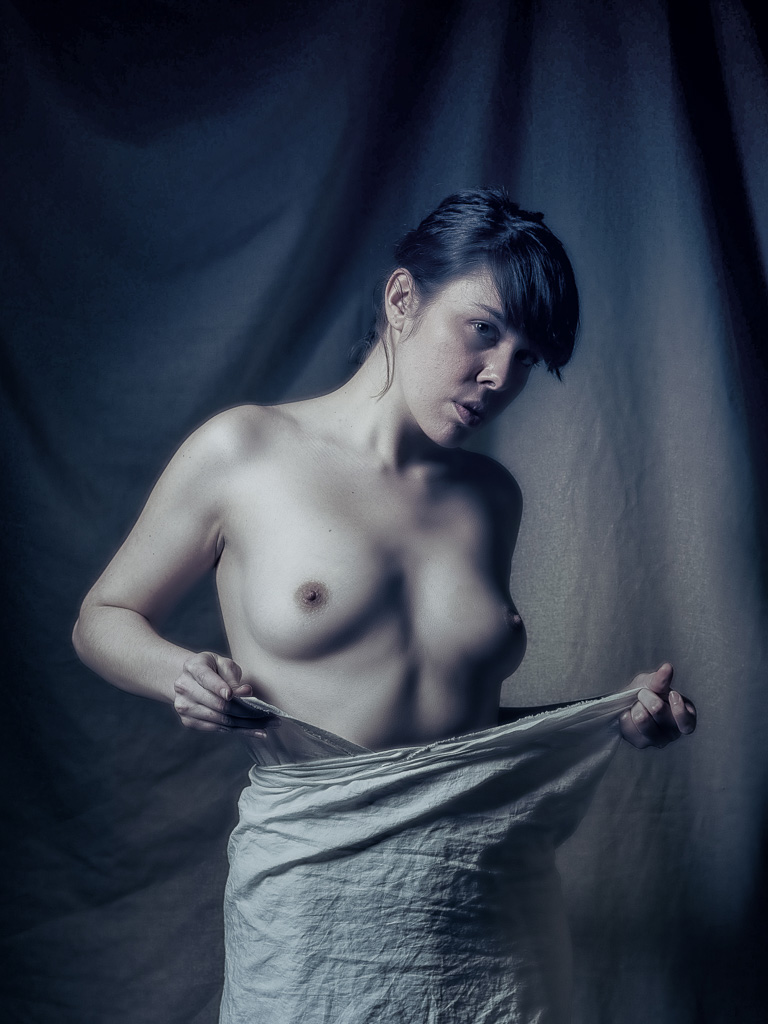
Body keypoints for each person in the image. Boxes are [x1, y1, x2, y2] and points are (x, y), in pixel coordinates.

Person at [73, 188, 696, 1023]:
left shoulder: (490, 498)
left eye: (527, 357)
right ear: (403, 300)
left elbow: (446, 732)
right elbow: (102, 617)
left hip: (492, 904)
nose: (499, 376)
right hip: (315, 915)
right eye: (483, 330)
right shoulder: (244, 450)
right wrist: (181, 672)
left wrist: (613, 718)